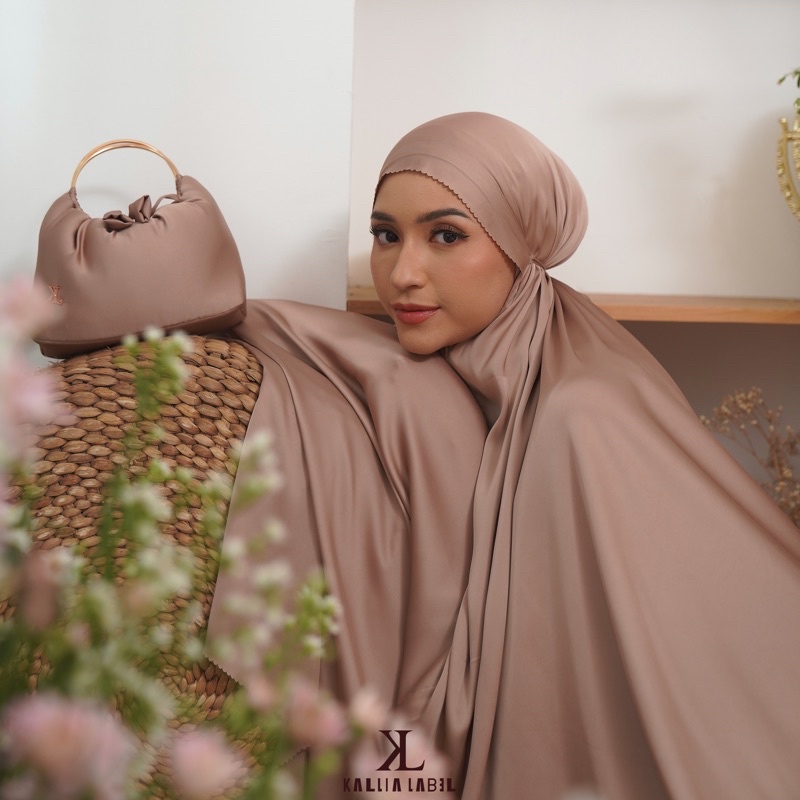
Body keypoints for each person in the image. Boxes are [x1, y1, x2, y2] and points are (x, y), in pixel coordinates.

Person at [208, 112, 800, 799]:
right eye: (385, 235)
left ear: (520, 245)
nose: (403, 273)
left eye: (446, 235)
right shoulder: (476, 358)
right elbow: (308, 330)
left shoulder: (581, 416)